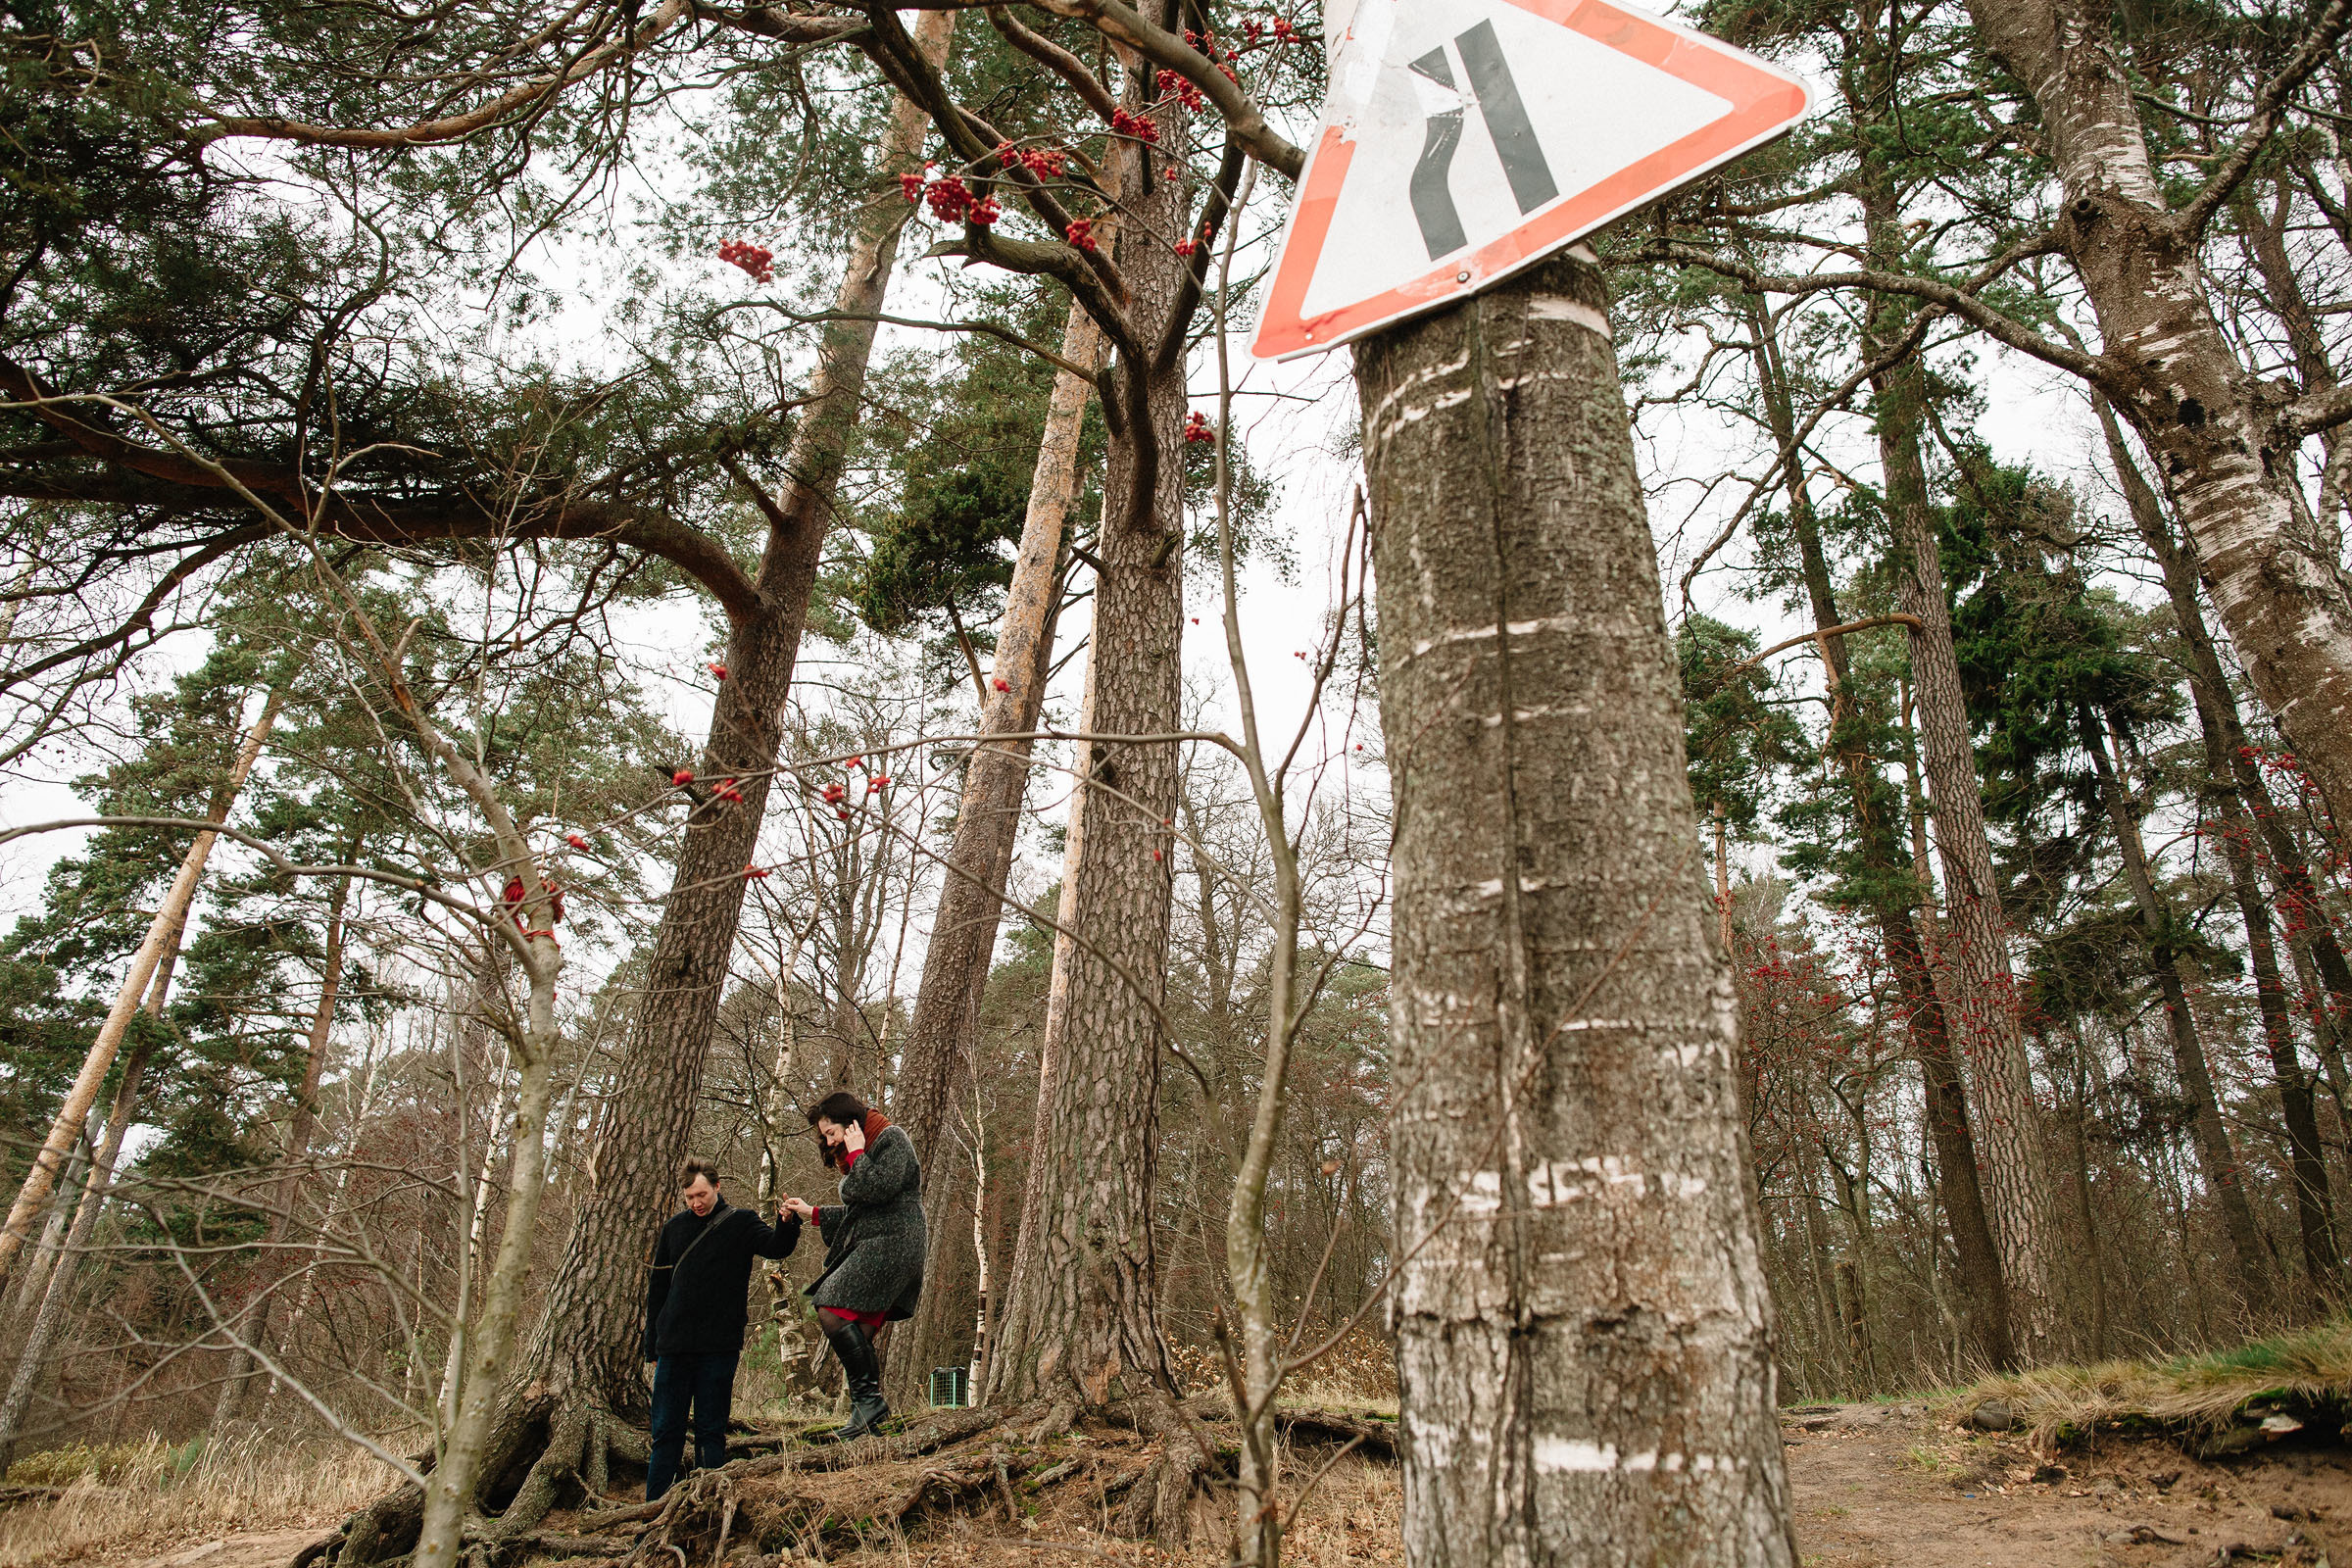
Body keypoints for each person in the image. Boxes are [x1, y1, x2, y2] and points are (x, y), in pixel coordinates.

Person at [642, 1156, 801, 1499]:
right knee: (665, 1432)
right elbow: (658, 1290)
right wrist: (651, 1346)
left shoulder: (741, 1222)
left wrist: (787, 1222)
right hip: (674, 1346)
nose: (696, 1203)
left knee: (711, 1431)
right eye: (689, 1198)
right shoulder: (674, 1228)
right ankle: (652, 1512)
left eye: (701, 1194)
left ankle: (708, 1509)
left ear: (717, 1186)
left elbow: (777, 1246)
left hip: (718, 1346)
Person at [780, 1090, 925, 1441]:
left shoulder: (892, 1138)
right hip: (880, 1241)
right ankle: (868, 1415)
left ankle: (870, 1404)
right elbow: (862, 1210)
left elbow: (877, 1189)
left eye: (832, 1132)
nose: (830, 1142)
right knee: (859, 1331)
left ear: (852, 1123)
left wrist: (858, 1152)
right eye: (826, 1136)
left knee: (828, 1305)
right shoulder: (861, 1154)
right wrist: (811, 1212)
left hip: (895, 1243)